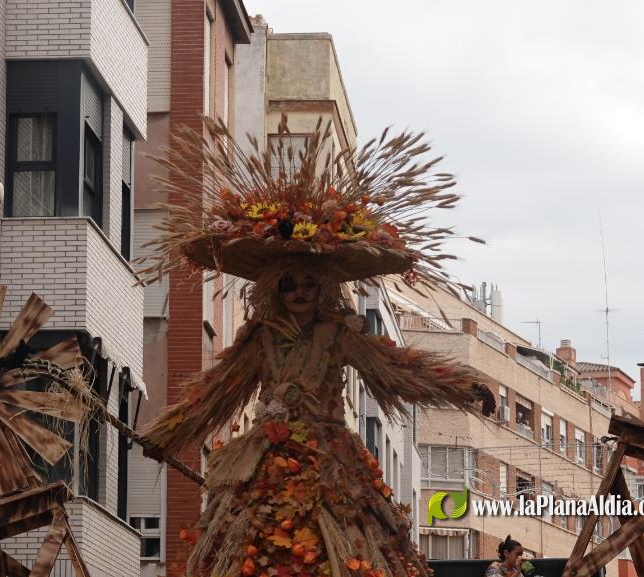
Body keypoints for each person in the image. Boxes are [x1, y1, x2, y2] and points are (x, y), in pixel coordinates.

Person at [136, 117, 496, 577]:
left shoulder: (340, 335)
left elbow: (397, 367)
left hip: (330, 460)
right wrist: (168, 434)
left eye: (308, 283)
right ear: (275, 289)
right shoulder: (260, 339)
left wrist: (461, 387)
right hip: (267, 459)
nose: (299, 292)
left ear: (323, 287)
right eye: (289, 284)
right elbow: (215, 390)